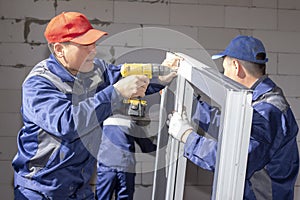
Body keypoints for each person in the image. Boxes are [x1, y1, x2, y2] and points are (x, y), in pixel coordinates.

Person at [12, 11, 177, 199]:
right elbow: (68, 124)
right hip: (41, 190)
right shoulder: (39, 84)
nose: (94, 50)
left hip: (78, 188)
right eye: (85, 45)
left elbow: (128, 77)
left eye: (93, 43)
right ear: (59, 50)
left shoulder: (95, 70)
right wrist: (115, 92)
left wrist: (160, 74)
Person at [168, 35, 299, 200]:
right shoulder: (257, 101)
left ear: (236, 66)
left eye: (225, 70)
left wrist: (187, 136)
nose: (224, 75)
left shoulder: (268, 111)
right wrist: (191, 104)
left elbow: (237, 161)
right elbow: (229, 126)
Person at [96, 60, 179, 200]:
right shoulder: (127, 122)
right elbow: (147, 146)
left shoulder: (105, 117)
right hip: (122, 167)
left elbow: (147, 145)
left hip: (109, 167)